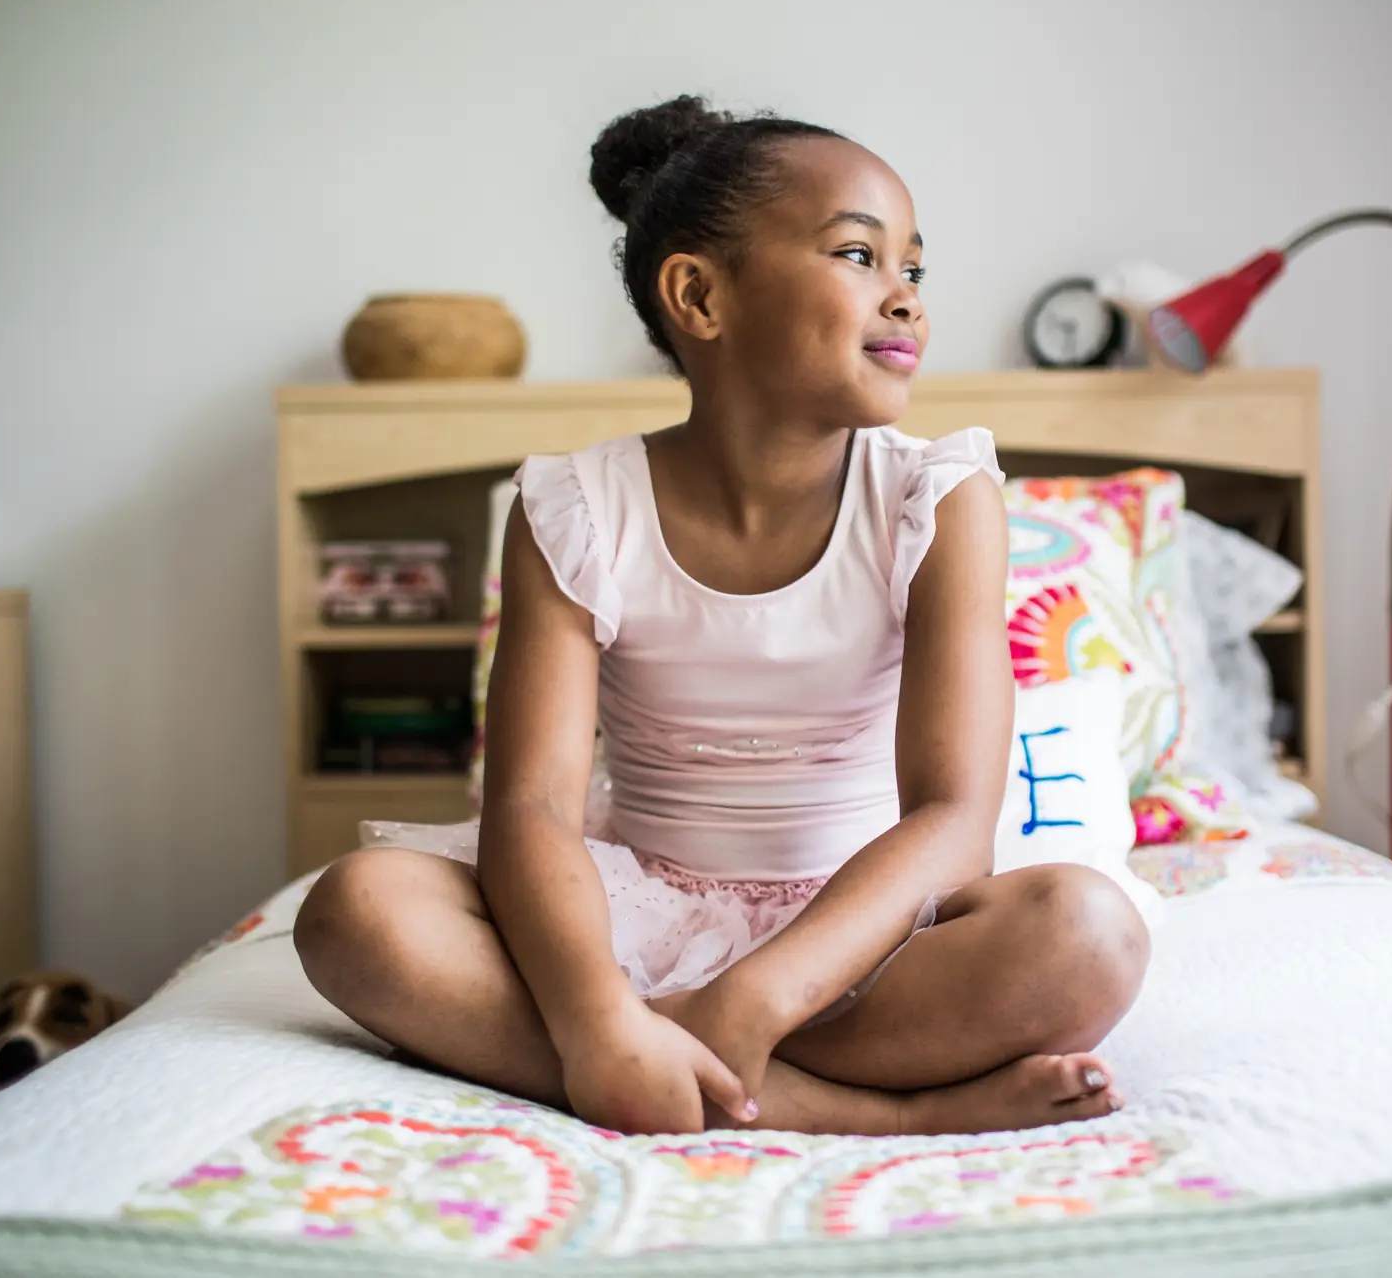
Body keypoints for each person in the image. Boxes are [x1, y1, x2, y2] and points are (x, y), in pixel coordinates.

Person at [295, 97, 1150, 1136]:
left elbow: (952, 820)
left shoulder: (940, 497)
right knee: (357, 910)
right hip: (627, 915)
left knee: (1087, 934)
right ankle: (858, 1111)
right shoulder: (574, 508)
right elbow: (529, 811)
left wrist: (754, 997)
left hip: (861, 940)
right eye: (859, 256)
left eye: (913, 270)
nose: (907, 301)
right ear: (699, 295)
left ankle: (662, 1060)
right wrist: (593, 1011)